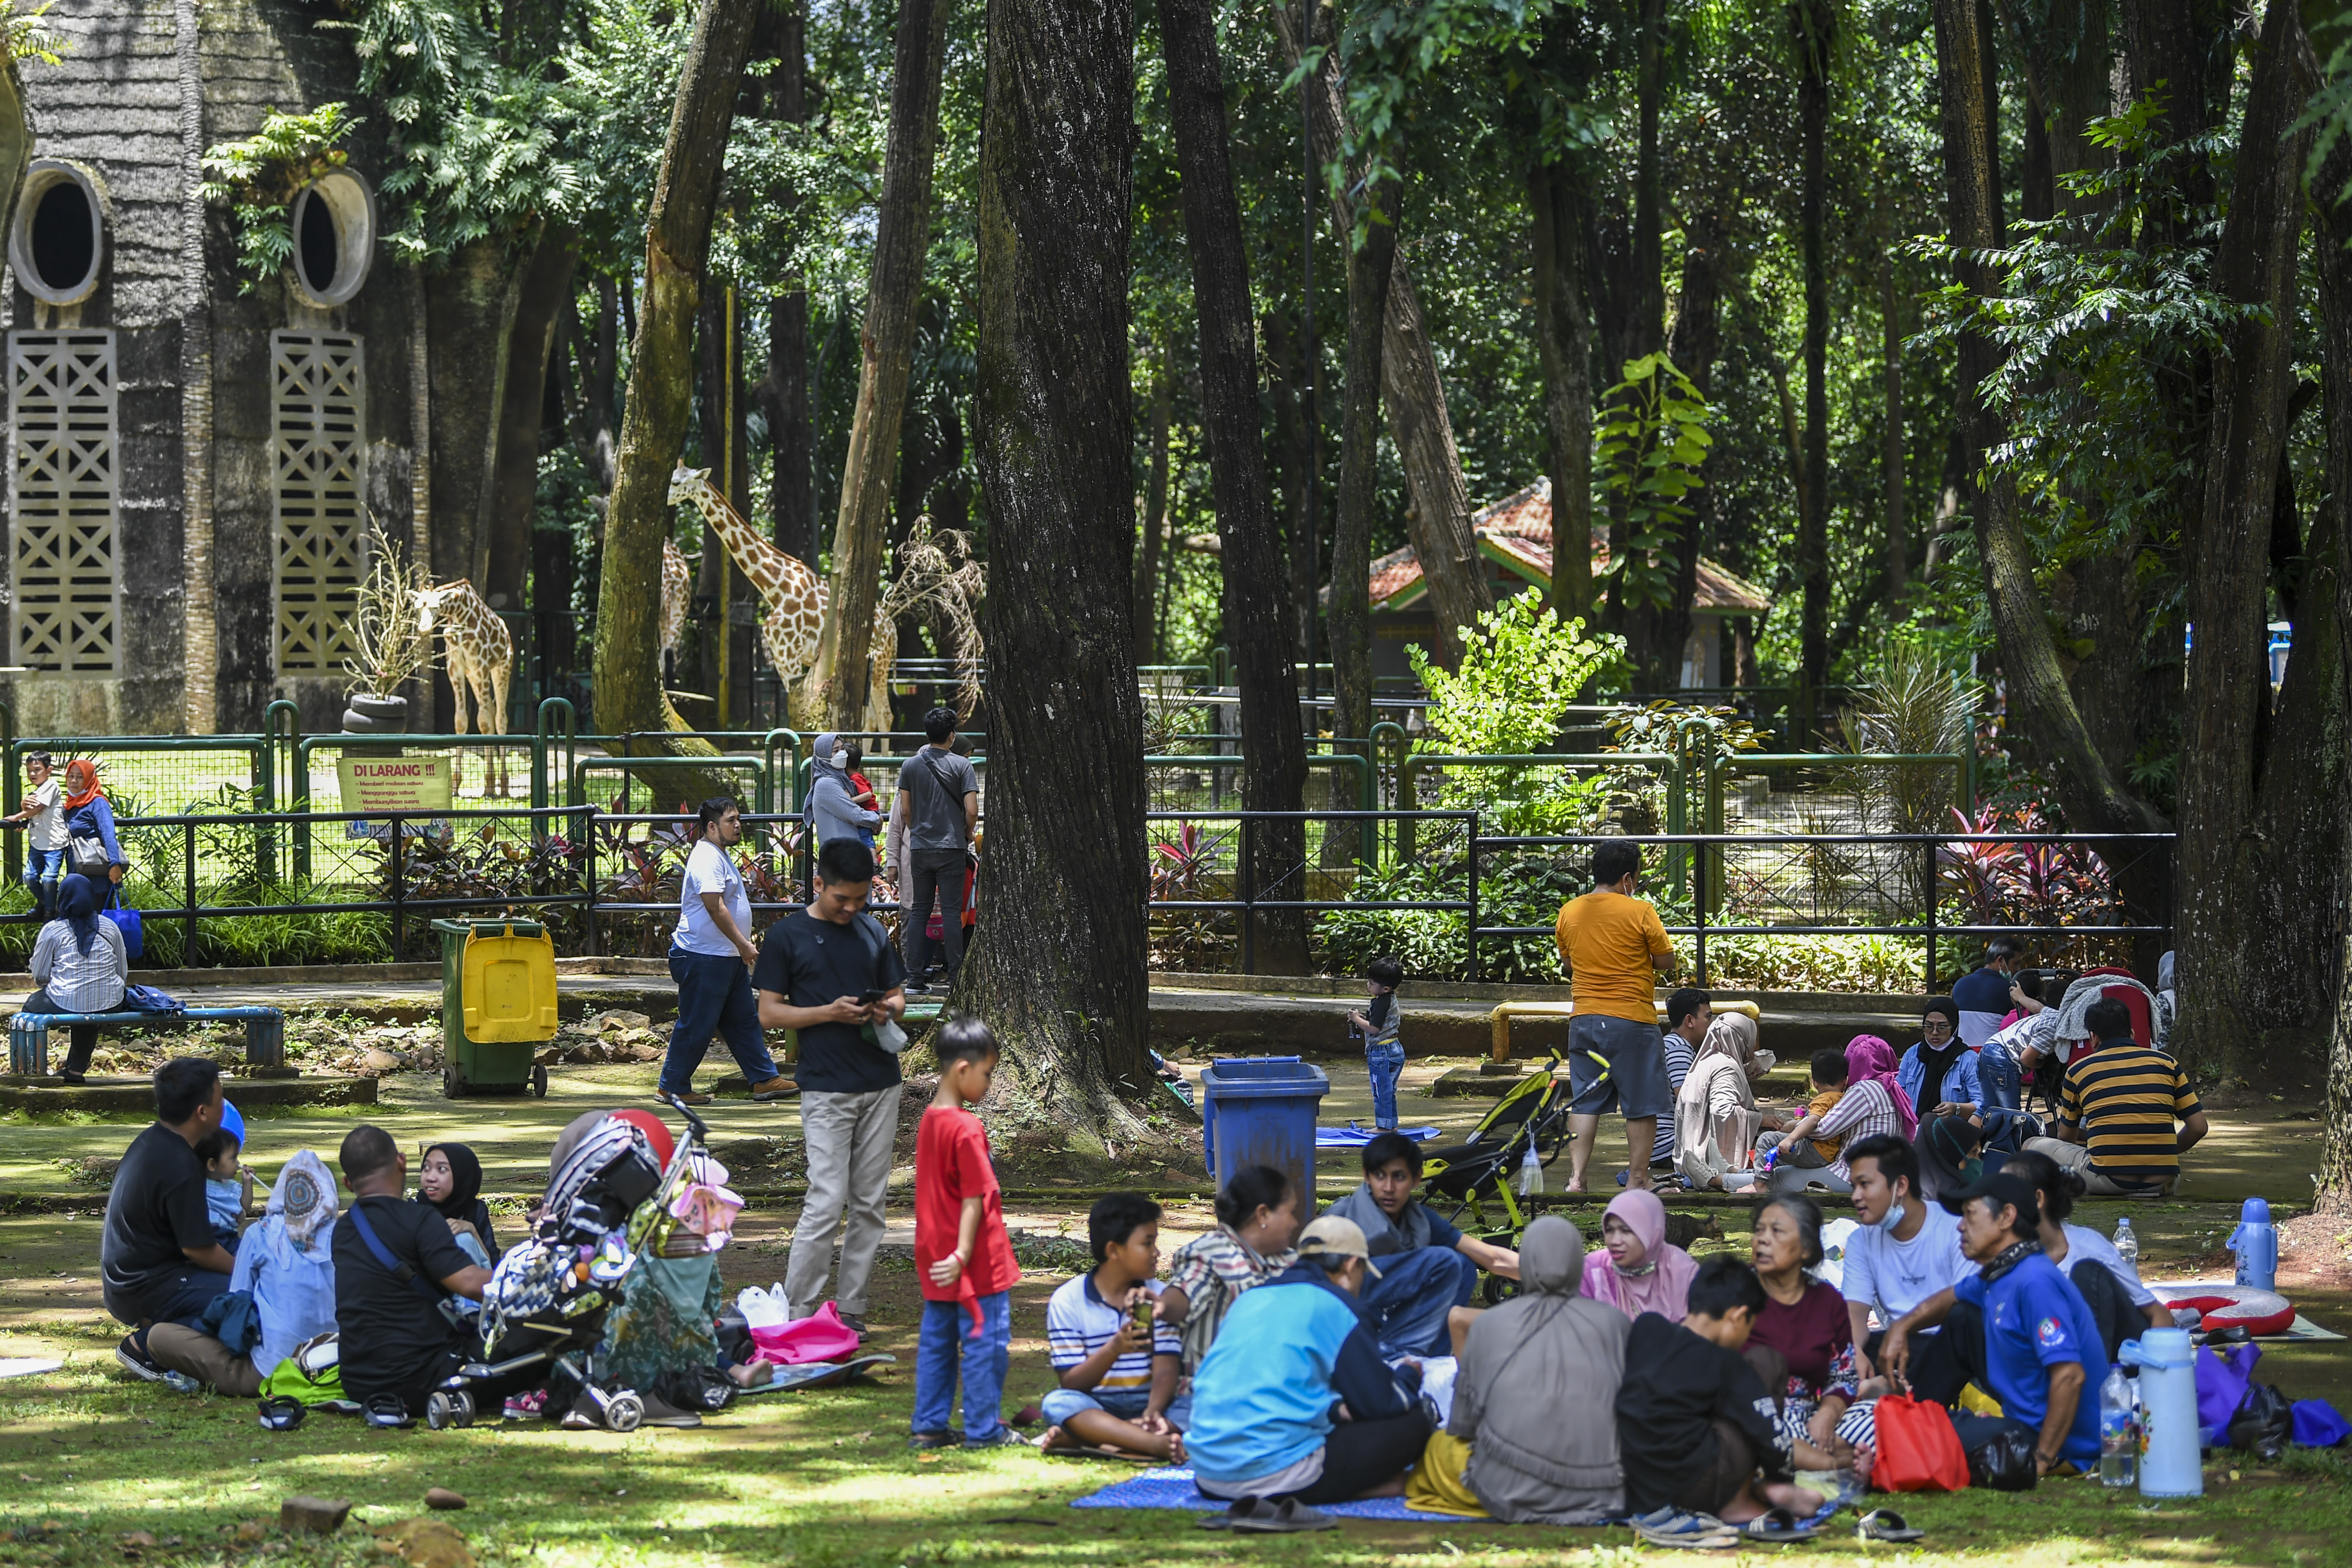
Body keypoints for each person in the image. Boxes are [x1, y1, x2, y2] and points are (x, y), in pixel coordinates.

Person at [756, 837, 909, 1333]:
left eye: (861, 899)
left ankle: (852, 1308)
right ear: (818, 883)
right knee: (826, 1197)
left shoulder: (870, 930)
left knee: (870, 1202)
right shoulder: (788, 936)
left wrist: (887, 1009)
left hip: (881, 1082)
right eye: (842, 898)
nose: (852, 908)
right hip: (825, 1086)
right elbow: (769, 1012)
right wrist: (829, 1013)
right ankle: (798, 1311)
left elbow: (897, 992)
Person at [1187, 1215, 1431, 1524]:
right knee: (1416, 1421)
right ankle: (1363, 1488)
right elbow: (1382, 1403)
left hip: (1209, 1475)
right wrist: (1409, 1375)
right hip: (1275, 1476)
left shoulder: (1251, 1298)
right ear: (1351, 1266)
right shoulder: (1338, 1305)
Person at [1893, 1169, 2107, 1475]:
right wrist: (1902, 1328)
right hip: (2021, 1423)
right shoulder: (2003, 1273)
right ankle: (1907, 1412)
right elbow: (1952, 1297)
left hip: (2054, 1443)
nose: (1960, 1226)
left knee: (1916, 1439)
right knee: (1963, 1316)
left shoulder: (2035, 1281)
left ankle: (1902, 1425)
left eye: (1969, 1215)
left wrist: (2042, 1460)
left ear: (2006, 1217)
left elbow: (2070, 1376)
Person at [1615, 1255, 1852, 1527]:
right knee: (1766, 1364)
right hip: (1692, 1489)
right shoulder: (1727, 1364)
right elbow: (1770, 1437)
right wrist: (1782, 1478)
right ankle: (1739, 1501)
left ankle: (1750, 1491)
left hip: (1635, 1486)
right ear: (1738, 1316)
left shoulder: (1647, 1328)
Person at [1449, 1215, 1630, 1524]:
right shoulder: (1616, 1323)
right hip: (1605, 1490)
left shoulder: (1488, 1324)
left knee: (1439, 1451)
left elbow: (1463, 1426)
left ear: (1527, 1261)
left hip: (1504, 1491)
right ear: (1576, 1263)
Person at [911, 1016, 1023, 1450]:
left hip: (935, 1258)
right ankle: (983, 1429)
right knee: (984, 1342)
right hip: (974, 1261)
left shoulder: (930, 1120)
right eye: (987, 1073)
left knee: (938, 1343)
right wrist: (962, 1253)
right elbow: (976, 1196)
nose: (989, 1083)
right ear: (963, 1069)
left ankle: (929, 1425)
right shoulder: (966, 1127)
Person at [146, 1149, 340, 1398]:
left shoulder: (261, 1233)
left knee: (159, 1336)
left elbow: (236, 1304)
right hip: (335, 1366)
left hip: (269, 1371)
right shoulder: (345, 1236)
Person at [1325, 1131, 1519, 1358]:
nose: (1389, 1187)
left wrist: (1559, 1279)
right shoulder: (1341, 1217)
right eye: (1380, 1176)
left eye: (1399, 1177)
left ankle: (1428, 1358)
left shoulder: (1419, 1219)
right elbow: (1312, 1283)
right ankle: (1389, 1352)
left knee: (1463, 1265)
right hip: (1340, 1311)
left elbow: (1491, 1258)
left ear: (1416, 1178)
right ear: (1366, 1177)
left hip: (1384, 1313)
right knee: (1445, 1262)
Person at [1553, 840, 1677, 1193]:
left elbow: (1568, 962)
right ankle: (1638, 1179)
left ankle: (1577, 1178)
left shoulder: (1569, 911)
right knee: (1641, 1104)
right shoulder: (1639, 911)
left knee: (1585, 1101)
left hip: (1584, 1020)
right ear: (1627, 877)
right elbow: (1667, 960)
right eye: (1636, 876)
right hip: (1631, 1020)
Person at [102, 1058, 236, 1382]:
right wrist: (250, 1271)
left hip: (137, 1276)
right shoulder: (179, 1163)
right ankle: (145, 1346)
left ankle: (160, 1325)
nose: (225, 1105)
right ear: (203, 1112)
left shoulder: (154, 1140)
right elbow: (199, 1250)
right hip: (146, 1285)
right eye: (221, 1099)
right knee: (249, 1302)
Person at [660, 797, 792, 1106]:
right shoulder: (707, 857)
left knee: (743, 1020)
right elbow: (714, 905)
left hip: (724, 956)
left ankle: (764, 1079)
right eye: (731, 820)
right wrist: (744, 944)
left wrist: (738, 948)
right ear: (711, 826)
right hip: (704, 956)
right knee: (698, 1023)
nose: (738, 826)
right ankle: (672, 1086)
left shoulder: (718, 854)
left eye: (738, 819)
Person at [1042, 1192, 1187, 1459]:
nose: (1157, 1253)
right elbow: (1072, 1383)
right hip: (1098, 1405)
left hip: (1154, 1403)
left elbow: (1167, 1367)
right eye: (1147, 1243)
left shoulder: (1158, 1295)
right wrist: (1115, 1348)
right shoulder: (1068, 1300)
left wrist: (1153, 1411)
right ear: (1114, 1250)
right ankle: (1154, 1444)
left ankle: (1094, 1438)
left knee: (1203, 1398)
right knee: (1058, 1403)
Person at [2022, 997, 2206, 1197]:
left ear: (2093, 1038)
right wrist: (2162, 1154)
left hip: (2107, 1180)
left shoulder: (2079, 1071)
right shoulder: (2167, 1064)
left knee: (2031, 1145)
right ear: (2132, 1033)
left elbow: (2067, 1139)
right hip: (2163, 1181)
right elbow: (2199, 1127)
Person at [2003, 1149, 2174, 1356]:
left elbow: (2159, 1314)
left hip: (2119, 1356)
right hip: (2052, 1359)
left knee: (2086, 1272)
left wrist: (2153, 1370)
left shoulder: (2088, 1246)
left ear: (2038, 1199)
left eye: (2006, 1194)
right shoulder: (2008, 1255)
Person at [1836, 1134, 1969, 1379]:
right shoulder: (1861, 1240)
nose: (1855, 1196)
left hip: (1954, 1348)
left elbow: (1965, 1299)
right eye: (1854, 1186)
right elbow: (1855, 1311)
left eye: (1865, 1184)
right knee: (1835, 1354)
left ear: (1902, 1186)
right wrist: (1853, 1352)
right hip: (1896, 1346)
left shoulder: (1957, 1229)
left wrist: (1903, 1326)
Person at [1162, 1164, 1302, 1377]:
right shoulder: (1212, 1252)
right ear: (1263, 1214)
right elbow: (1185, 1293)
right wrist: (1160, 1305)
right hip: (1207, 1395)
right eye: (1290, 1213)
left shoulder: (1290, 1260)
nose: (1295, 1223)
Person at [1747, 1195, 1861, 1456]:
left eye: (1777, 1231)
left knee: (1878, 1415)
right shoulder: (1734, 1293)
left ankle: (1801, 1456)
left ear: (1806, 1249)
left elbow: (1844, 1378)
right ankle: (1833, 1460)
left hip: (1809, 1415)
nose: (1763, 1239)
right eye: (1759, 1231)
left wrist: (1828, 1414)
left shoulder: (1828, 1300)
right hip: (1748, 1415)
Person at [893, 705, 980, 985]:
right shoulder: (962, 765)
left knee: (920, 909)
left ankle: (915, 977)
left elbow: (906, 810)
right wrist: (965, 835)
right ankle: (956, 977)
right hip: (952, 848)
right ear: (952, 736)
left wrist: (918, 830)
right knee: (953, 913)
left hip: (920, 847)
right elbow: (972, 810)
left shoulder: (910, 765)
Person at [1766, 1036, 1911, 1195]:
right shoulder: (1890, 1086)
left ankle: (1734, 1179)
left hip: (1852, 1173)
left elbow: (1824, 1130)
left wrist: (1799, 1126)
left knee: (1778, 1177)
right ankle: (1735, 1176)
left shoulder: (1865, 1089)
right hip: (1882, 1173)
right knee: (1777, 1167)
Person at [26, 872, 129, 1084]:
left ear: (62, 897)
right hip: (112, 1001)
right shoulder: (110, 926)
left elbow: (40, 975)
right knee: (90, 1007)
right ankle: (75, 1071)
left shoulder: (53, 930)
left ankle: (32, 1070)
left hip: (65, 999)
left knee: (30, 1008)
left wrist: (61, 984)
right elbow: (122, 972)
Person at [1674, 1011, 1790, 1189]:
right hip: (1707, 1156)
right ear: (1742, 1039)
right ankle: (1721, 1171)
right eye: (1751, 1040)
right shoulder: (1727, 1067)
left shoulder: (1705, 1061)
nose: (1752, 1048)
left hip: (1687, 1156)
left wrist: (1744, 1073)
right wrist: (1761, 1119)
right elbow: (1723, 1111)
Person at [1581, 1188, 1699, 1323]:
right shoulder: (1593, 1272)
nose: (1615, 1241)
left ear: (1651, 1231)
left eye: (1627, 1231)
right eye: (1609, 1230)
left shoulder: (1682, 1270)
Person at [1760, 1050, 1852, 1179]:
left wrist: (1790, 1139)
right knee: (1778, 1159)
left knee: (1767, 1140)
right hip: (1830, 1154)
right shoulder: (1845, 1098)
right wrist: (1807, 1113)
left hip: (1816, 1152)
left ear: (1814, 1083)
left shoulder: (1822, 1099)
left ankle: (1759, 1183)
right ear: (1845, 1080)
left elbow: (1813, 1121)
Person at [1651, 988, 1713, 1168]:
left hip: (1655, 1145)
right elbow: (1688, 1101)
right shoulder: (1679, 1049)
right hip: (1669, 1145)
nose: (1712, 1023)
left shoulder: (1668, 1043)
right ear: (1689, 1021)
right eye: (1708, 1017)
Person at [4, 751, 67, 918]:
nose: (32, 774)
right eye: (29, 770)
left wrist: (17, 816)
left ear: (49, 770)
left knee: (49, 879)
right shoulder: (36, 792)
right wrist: (24, 821)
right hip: (37, 844)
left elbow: (38, 808)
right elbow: (31, 811)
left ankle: (49, 912)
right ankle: (47, 902)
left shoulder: (52, 786)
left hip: (54, 844)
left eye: (37, 770)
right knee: (29, 877)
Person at [1347, 955, 1407, 1132]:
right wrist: (1362, 1019)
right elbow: (1380, 1024)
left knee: (1381, 1091)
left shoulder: (1381, 1002)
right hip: (1394, 1048)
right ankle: (1391, 1124)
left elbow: (1373, 1029)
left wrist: (1356, 1018)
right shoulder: (1389, 999)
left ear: (1386, 988)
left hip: (1382, 1053)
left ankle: (1383, 1127)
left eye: (1372, 983)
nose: (1368, 985)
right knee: (1389, 1091)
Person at [415, 1143, 497, 1265]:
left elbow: (493, 1267)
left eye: (442, 1169)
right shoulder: (416, 1210)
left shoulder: (475, 1210)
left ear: (462, 1174)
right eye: (426, 1167)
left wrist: (472, 1230)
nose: (430, 1177)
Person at [805, 733, 882, 852]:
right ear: (823, 755)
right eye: (836, 751)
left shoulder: (841, 779)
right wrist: (877, 819)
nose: (842, 754)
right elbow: (856, 815)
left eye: (842, 749)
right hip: (840, 858)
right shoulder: (826, 784)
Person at [61, 759, 125, 888]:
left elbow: (108, 834)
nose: (74, 781)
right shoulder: (69, 805)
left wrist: (115, 864)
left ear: (89, 779)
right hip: (77, 873)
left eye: (80, 777)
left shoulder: (98, 803)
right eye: (71, 776)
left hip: (97, 878)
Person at [1952, 936, 2026, 1048]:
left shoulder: (1959, 984)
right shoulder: (2009, 990)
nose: (2018, 969)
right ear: (2001, 961)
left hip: (1961, 1052)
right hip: (1992, 1053)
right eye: (2016, 963)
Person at [194, 1105, 247, 1255]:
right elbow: (238, 1210)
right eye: (233, 1158)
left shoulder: (229, 1185)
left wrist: (247, 1183)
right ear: (212, 1164)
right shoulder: (199, 1186)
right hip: (216, 1235)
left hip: (225, 1235)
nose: (238, 1163)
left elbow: (244, 1206)